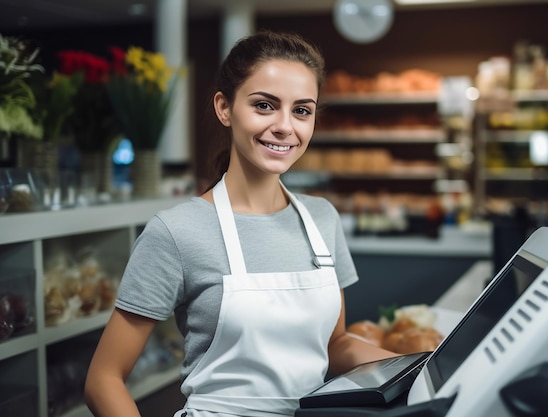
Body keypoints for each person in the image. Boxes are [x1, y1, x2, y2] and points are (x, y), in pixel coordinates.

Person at [84, 30, 399, 417]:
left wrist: (420, 365)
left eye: (302, 110)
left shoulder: (322, 219)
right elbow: (103, 380)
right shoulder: (176, 232)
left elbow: (335, 345)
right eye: (265, 105)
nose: (286, 126)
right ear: (224, 107)